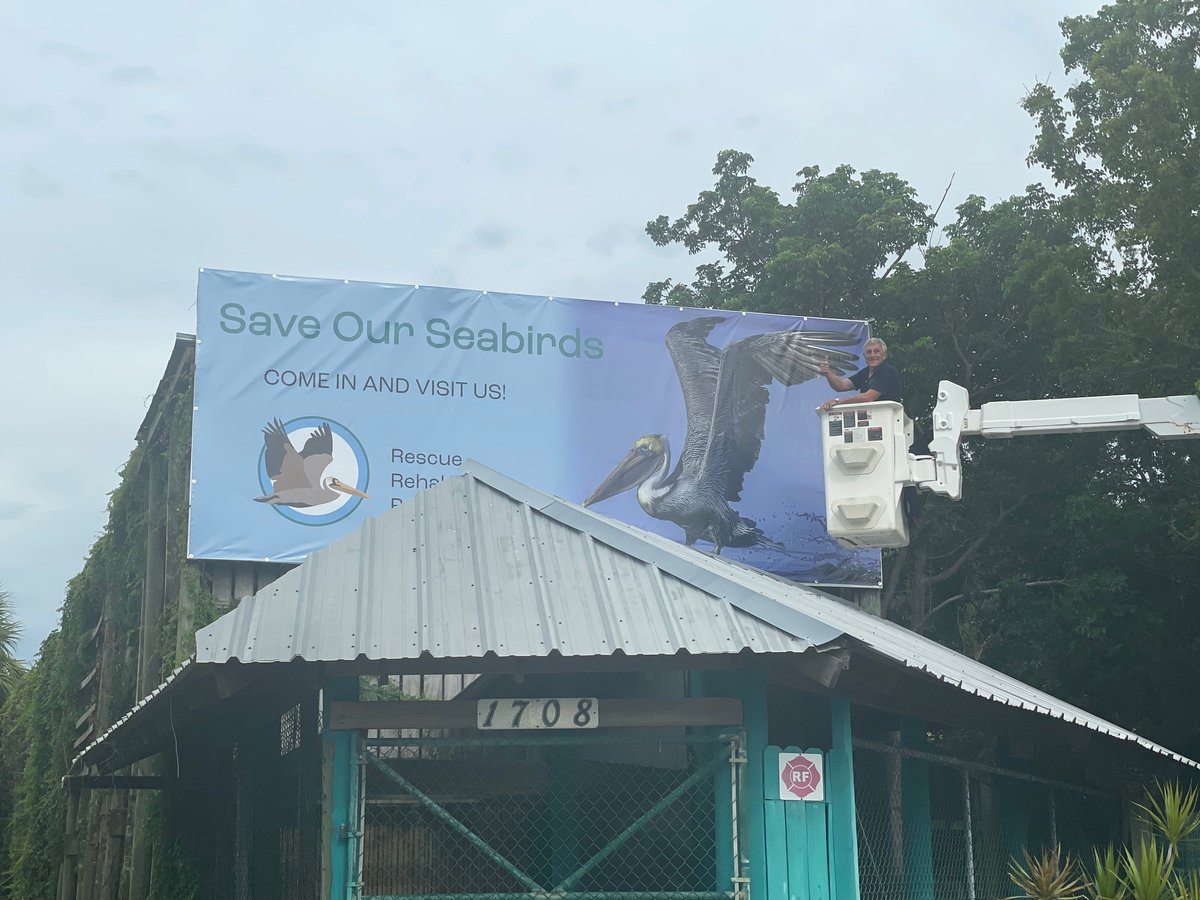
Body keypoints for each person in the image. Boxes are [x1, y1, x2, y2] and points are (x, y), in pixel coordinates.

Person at [819, 337, 901, 410]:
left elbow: (868, 397)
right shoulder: (864, 373)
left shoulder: (888, 371)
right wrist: (827, 373)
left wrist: (837, 401)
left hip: (890, 421)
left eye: (876, 351)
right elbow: (841, 386)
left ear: (884, 355)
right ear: (864, 356)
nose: (872, 355)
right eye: (869, 352)